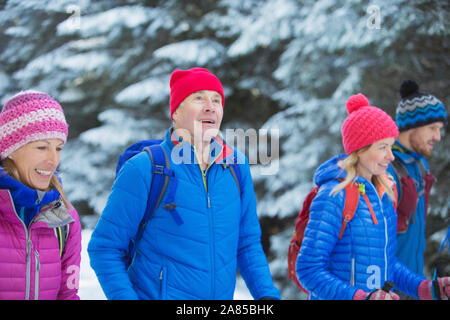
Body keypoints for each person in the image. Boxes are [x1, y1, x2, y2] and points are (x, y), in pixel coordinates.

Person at [88, 67, 281, 300]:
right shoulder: (146, 168)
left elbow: (247, 243)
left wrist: (267, 297)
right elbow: (104, 248)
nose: (210, 106)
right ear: (176, 112)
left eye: (216, 100)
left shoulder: (236, 166)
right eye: (198, 98)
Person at [296, 93, 450, 300]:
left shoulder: (384, 195)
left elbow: (387, 263)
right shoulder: (333, 195)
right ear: (360, 150)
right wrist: (360, 297)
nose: (391, 156)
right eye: (382, 147)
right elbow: (309, 270)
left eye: (391, 146)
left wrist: (426, 289)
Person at [0, 91, 81, 300]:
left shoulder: (64, 219)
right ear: (11, 149)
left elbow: (68, 295)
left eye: (59, 148)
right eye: (42, 147)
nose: (53, 160)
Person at [387, 80, 447, 278]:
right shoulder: (386, 168)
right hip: (388, 287)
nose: (437, 137)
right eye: (432, 128)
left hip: (413, 282)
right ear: (411, 126)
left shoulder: (420, 166)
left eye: (439, 129)